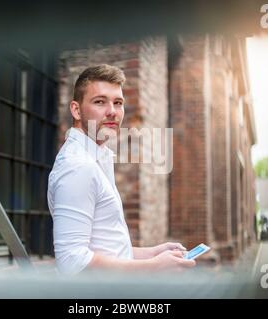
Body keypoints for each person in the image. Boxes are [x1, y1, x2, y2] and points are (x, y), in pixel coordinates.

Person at [47, 64, 195, 275]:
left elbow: (108, 248)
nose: (112, 112)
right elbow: (72, 261)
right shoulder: (79, 167)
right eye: (100, 102)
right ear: (76, 110)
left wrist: (154, 253)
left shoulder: (96, 156)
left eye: (118, 103)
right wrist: (154, 267)